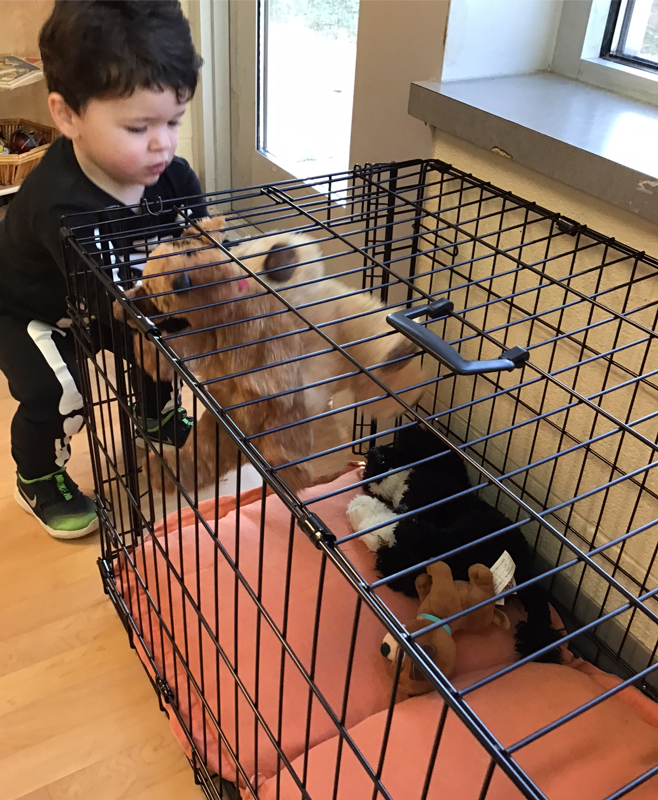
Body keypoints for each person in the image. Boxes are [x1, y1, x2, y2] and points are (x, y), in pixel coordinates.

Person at [0, 0, 207, 539]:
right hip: (28, 312)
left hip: (106, 297)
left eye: (174, 120)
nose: (163, 143)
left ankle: (155, 416)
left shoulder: (174, 178)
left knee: (162, 336)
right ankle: (37, 477)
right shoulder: (61, 204)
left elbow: (202, 251)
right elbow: (120, 301)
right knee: (61, 393)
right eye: (139, 127)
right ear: (67, 115)